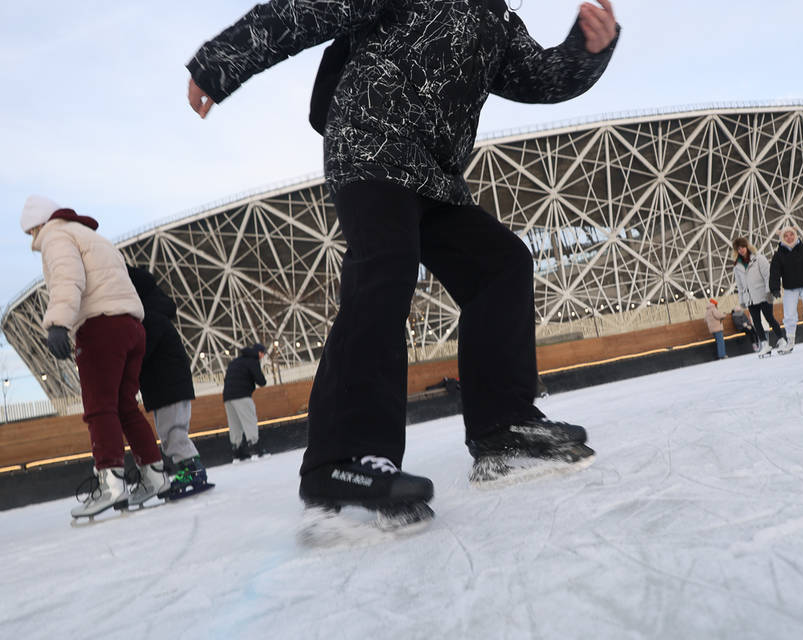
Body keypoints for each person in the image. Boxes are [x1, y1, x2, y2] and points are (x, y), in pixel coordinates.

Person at [186, 0, 619, 526]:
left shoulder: (498, 20)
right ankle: (340, 458)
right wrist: (220, 63)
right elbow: (307, 11)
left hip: (432, 175)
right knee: (385, 266)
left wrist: (586, 49)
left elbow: (540, 78)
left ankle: (502, 427)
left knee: (500, 265)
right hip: (368, 145)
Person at [19, 195, 167, 518]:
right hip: (132, 325)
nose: (33, 239)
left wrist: (58, 321)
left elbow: (67, 277)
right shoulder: (93, 236)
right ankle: (155, 474)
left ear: (40, 224)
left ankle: (110, 483)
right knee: (126, 406)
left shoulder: (57, 236)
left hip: (101, 327)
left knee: (99, 408)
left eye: (32, 232)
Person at [127, 265, 214, 499]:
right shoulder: (155, 316)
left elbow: (144, 352)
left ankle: (193, 471)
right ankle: (191, 470)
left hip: (169, 387)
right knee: (170, 433)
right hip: (166, 387)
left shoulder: (151, 319)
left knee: (174, 433)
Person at [769, 226, 803, 354]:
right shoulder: (778, 255)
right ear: (782, 238)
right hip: (790, 288)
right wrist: (775, 288)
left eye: (791, 234)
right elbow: (775, 272)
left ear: (795, 235)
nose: (789, 237)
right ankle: (790, 341)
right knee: (789, 315)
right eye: (786, 235)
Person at [731, 237, 786, 358]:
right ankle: (765, 344)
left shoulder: (758, 259)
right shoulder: (737, 266)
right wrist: (742, 300)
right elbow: (740, 286)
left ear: (747, 246)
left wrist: (769, 291)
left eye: (743, 247)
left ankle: (782, 339)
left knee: (769, 318)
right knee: (756, 322)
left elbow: (768, 276)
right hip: (750, 298)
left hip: (763, 294)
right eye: (738, 249)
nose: (741, 250)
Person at [223, 343, 268, 461]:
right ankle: (255, 448)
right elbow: (261, 381)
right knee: (249, 420)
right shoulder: (253, 360)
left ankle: (237, 452)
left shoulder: (236, 361)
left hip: (227, 397)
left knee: (234, 424)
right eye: (263, 353)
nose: (263, 356)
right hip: (242, 395)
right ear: (259, 352)